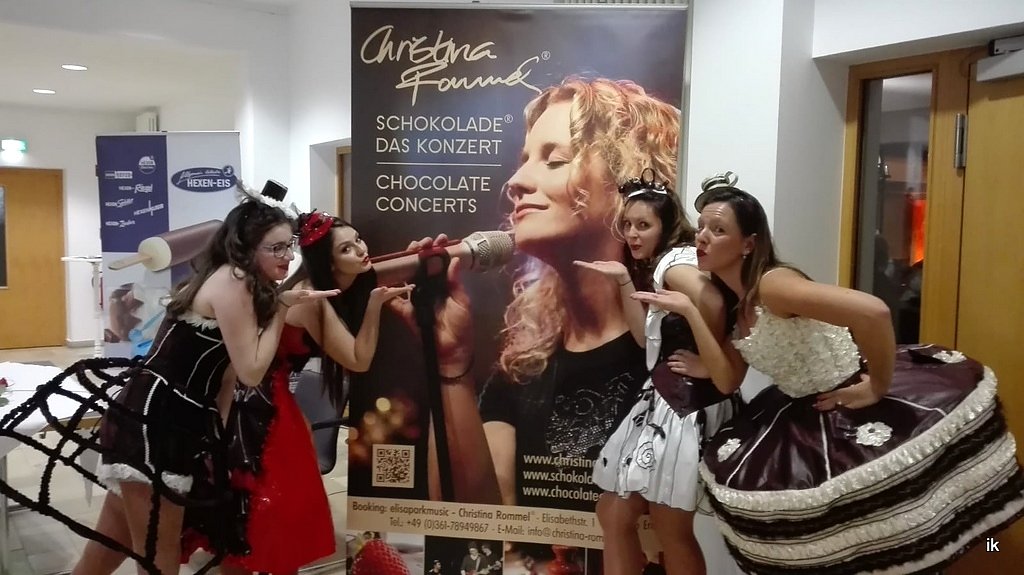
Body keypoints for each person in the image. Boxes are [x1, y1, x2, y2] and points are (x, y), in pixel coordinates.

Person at [631, 173, 1024, 574]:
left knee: (911, 529)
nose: (702, 238)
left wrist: (876, 386)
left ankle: (989, 557)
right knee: (852, 544)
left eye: (718, 230)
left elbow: (873, 312)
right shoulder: (737, 303)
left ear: (748, 244)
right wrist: (692, 313)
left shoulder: (773, 286)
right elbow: (728, 380)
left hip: (850, 406)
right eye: (701, 228)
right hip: (803, 414)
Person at [0, 181, 338, 575]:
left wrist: (217, 443)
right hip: (155, 426)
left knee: (111, 545)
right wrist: (281, 309)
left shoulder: (241, 282)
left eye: (289, 246)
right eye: (276, 248)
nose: (288, 256)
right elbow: (251, 371)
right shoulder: (235, 280)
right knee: (159, 553)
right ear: (246, 248)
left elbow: (226, 377)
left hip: (165, 420)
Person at [391, 77, 681, 510]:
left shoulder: (672, 349)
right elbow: (475, 512)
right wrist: (449, 366)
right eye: (525, 159)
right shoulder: (525, 365)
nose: (516, 181)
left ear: (627, 181)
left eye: (555, 160)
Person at [197, 210, 412, 575]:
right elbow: (358, 359)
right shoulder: (309, 297)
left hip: (264, 401)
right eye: (346, 249)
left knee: (263, 515)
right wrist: (375, 306)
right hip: (262, 408)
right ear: (329, 262)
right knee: (270, 514)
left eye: (358, 240)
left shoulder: (317, 289)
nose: (361, 251)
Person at [581, 171, 738, 575]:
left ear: (665, 226)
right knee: (614, 512)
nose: (632, 234)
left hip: (686, 405)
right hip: (664, 399)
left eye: (643, 225)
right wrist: (622, 281)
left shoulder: (674, 262)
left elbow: (715, 304)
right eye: (627, 225)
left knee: (671, 528)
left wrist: (710, 361)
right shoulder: (663, 264)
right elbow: (644, 341)